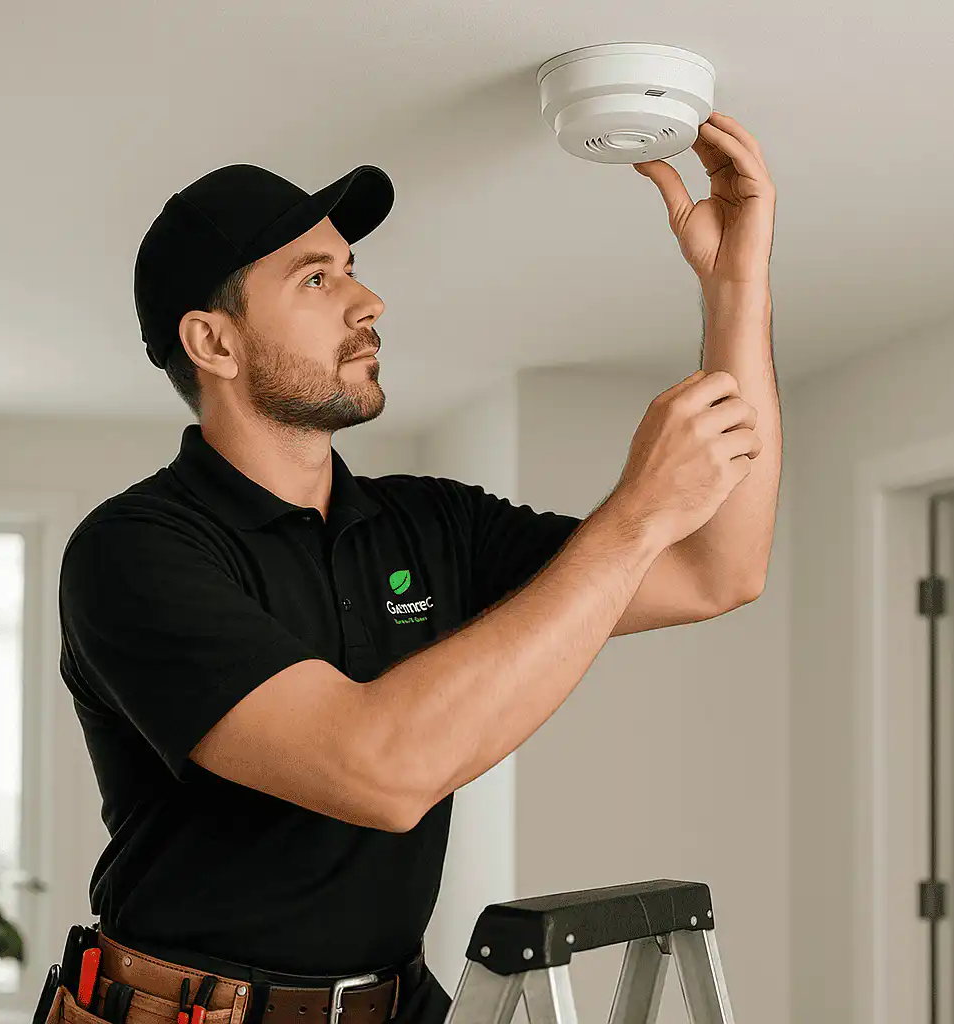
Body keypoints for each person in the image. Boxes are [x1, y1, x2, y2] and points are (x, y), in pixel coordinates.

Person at [51, 112, 779, 1024]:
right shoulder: (134, 552)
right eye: (315, 278)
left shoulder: (430, 521)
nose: (369, 303)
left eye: (351, 270)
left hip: (400, 1002)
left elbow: (719, 567)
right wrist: (633, 516)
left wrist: (734, 287)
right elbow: (381, 771)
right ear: (215, 344)